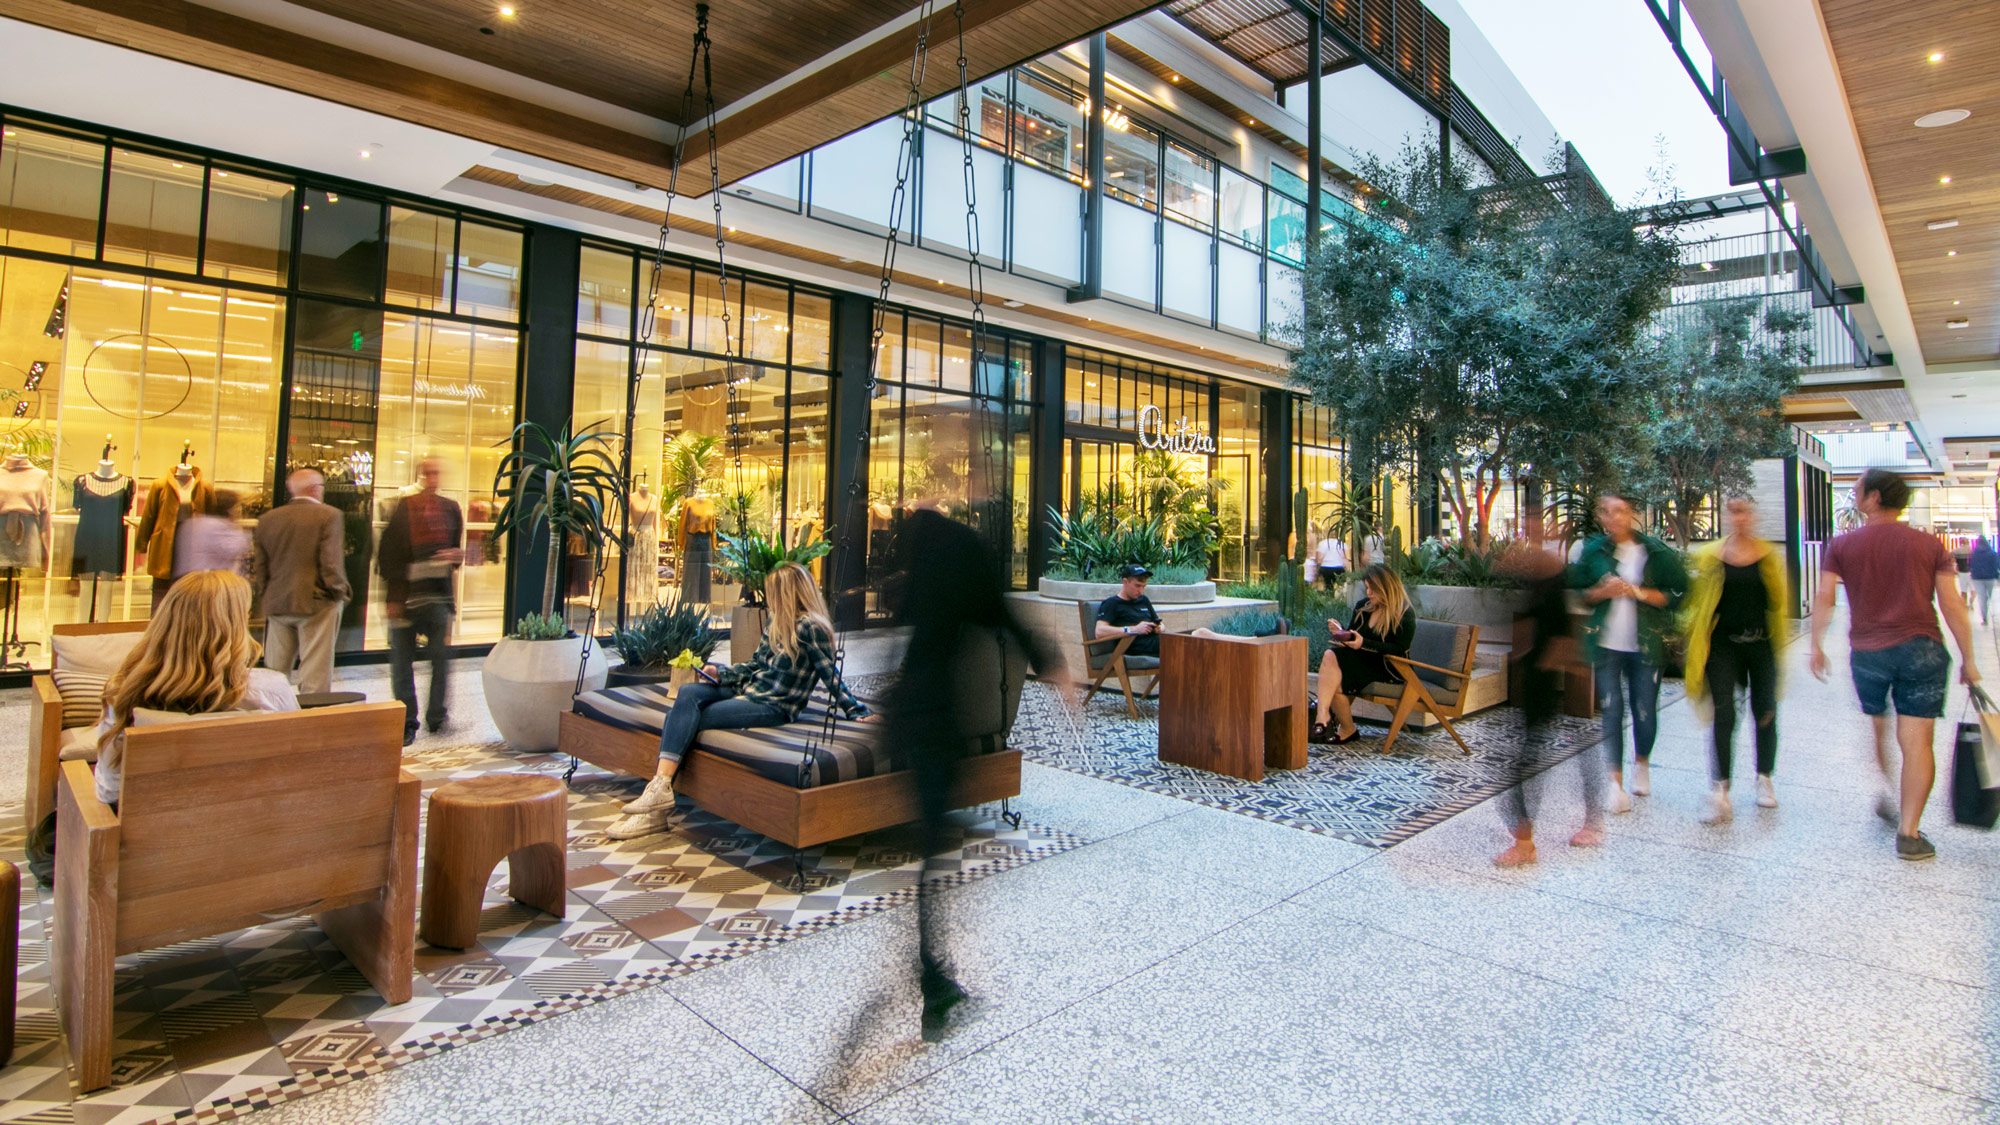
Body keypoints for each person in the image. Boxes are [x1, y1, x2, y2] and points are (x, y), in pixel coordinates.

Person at [883, 504, 1067, 1040]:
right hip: (938, 723)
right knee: (933, 856)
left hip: (909, 716)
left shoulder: (921, 572)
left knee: (931, 854)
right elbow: (1002, 613)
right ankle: (931, 981)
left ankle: (931, 974)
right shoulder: (962, 559)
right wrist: (1053, 666)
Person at [608, 562, 876, 840]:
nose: (768, 598)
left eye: (773, 592)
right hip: (748, 688)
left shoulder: (810, 628)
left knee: (687, 718)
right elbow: (755, 665)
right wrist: (720, 673)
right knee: (688, 695)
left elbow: (829, 673)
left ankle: (654, 810)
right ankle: (660, 790)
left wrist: (856, 710)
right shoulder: (777, 620)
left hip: (773, 705)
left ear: (788, 593)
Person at [1810, 468, 1980, 861]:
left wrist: (1816, 644)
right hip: (1921, 648)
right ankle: (1909, 831)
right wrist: (1969, 659)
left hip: (1868, 653)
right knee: (1917, 740)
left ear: (1874, 499)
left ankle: (1890, 791)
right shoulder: (1928, 545)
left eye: (1857, 491)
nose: (1853, 497)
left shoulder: (1842, 545)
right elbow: (1951, 603)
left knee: (1880, 726)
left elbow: (1824, 598)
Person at [89, 570, 299, 806]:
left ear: (165, 623)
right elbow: (297, 770)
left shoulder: (126, 694)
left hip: (159, 835)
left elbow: (109, 791)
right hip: (256, 829)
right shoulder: (270, 691)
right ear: (236, 628)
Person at [1494, 517, 1605, 864]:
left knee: (1530, 764)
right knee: (1554, 756)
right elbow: (1530, 617)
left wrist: (1554, 663)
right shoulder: (1536, 572)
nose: (1529, 535)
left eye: (1533, 526)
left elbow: (1561, 628)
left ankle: (1527, 844)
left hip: (1547, 675)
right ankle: (1588, 821)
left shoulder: (1555, 571)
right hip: (1536, 675)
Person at [1571, 495, 1686, 813]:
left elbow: (1680, 594)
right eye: (1606, 512)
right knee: (1611, 710)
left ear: (1631, 514)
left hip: (1646, 644)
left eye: (1620, 511)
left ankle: (1642, 762)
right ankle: (1615, 785)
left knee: (1645, 709)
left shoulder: (1656, 552)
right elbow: (1578, 590)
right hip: (1607, 644)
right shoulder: (1594, 551)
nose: (1614, 518)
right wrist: (1600, 592)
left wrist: (1639, 592)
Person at [1683, 496, 1787, 824]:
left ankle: (1764, 777)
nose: (1739, 518)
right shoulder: (1712, 556)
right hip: (1723, 646)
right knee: (1724, 714)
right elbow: (1700, 604)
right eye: (1733, 513)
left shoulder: (1769, 557)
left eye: (1744, 512)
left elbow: (1778, 604)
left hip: (1760, 645)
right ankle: (1720, 788)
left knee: (1765, 711)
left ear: (1753, 516)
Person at [378, 456, 464, 745]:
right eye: (427, 473)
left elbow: (456, 552)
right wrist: (391, 599)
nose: (432, 478)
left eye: (436, 473)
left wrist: (454, 557)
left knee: (440, 660)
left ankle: (437, 718)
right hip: (406, 597)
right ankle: (406, 722)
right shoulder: (404, 508)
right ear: (419, 475)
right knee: (402, 662)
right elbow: (387, 556)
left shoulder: (451, 509)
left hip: (438, 597)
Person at [253, 468, 350, 695]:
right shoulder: (329, 515)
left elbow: (260, 565)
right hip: (317, 602)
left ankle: (271, 718)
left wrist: (268, 593)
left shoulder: (268, 519)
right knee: (315, 672)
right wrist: (339, 592)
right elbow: (331, 563)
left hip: (277, 601)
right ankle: (311, 723)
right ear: (316, 489)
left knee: (275, 672)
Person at [1310, 564, 1417, 745]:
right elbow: (1355, 636)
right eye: (1367, 588)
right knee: (1330, 656)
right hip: (1363, 661)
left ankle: (1343, 726)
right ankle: (1324, 715)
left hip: (1388, 668)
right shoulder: (1363, 608)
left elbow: (1399, 650)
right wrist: (1342, 632)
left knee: (1336, 676)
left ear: (1386, 588)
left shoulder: (1404, 613)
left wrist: (1363, 644)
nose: (1369, 593)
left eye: (1373, 589)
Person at [171, 489, 249, 578]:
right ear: (229, 509)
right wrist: (238, 527)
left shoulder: (191, 523)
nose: (239, 510)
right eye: (237, 506)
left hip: (187, 579)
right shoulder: (221, 527)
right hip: (209, 581)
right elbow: (237, 548)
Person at [1970, 536, 1998, 625]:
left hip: (1977, 578)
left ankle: (1984, 617)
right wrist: (1996, 574)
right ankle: (1993, 612)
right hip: (1990, 577)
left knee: (1982, 597)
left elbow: (1970, 564)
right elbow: (1996, 564)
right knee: (1990, 596)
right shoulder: (1991, 552)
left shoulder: (1974, 553)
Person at [1313, 526, 1348, 591]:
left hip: (1326, 568)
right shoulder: (1342, 544)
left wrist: (1317, 570)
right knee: (1340, 586)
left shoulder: (1322, 543)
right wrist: (1347, 569)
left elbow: (1318, 560)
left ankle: (1329, 596)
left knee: (1328, 585)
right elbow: (1345, 558)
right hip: (1339, 568)